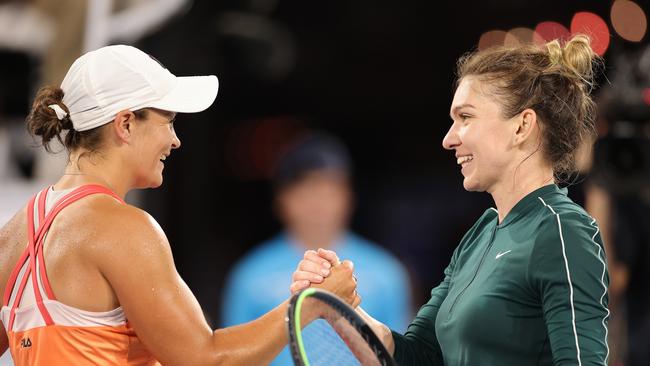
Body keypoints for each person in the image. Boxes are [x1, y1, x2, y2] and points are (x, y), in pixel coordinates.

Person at [0, 44, 359, 365]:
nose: (175, 141)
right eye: (168, 121)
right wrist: (312, 303)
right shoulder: (123, 228)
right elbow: (206, 360)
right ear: (125, 123)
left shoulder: (14, 233)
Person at [292, 34, 610, 365]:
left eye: (466, 117)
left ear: (522, 127)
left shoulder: (563, 230)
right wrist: (339, 307)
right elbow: (416, 356)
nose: (448, 139)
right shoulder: (481, 234)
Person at [221, 132, 412, 365]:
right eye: (305, 188)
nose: (317, 201)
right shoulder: (249, 274)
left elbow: (401, 356)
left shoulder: (387, 272)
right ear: (281, 199)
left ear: (348, 196)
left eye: (328, 187)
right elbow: (232, 357)